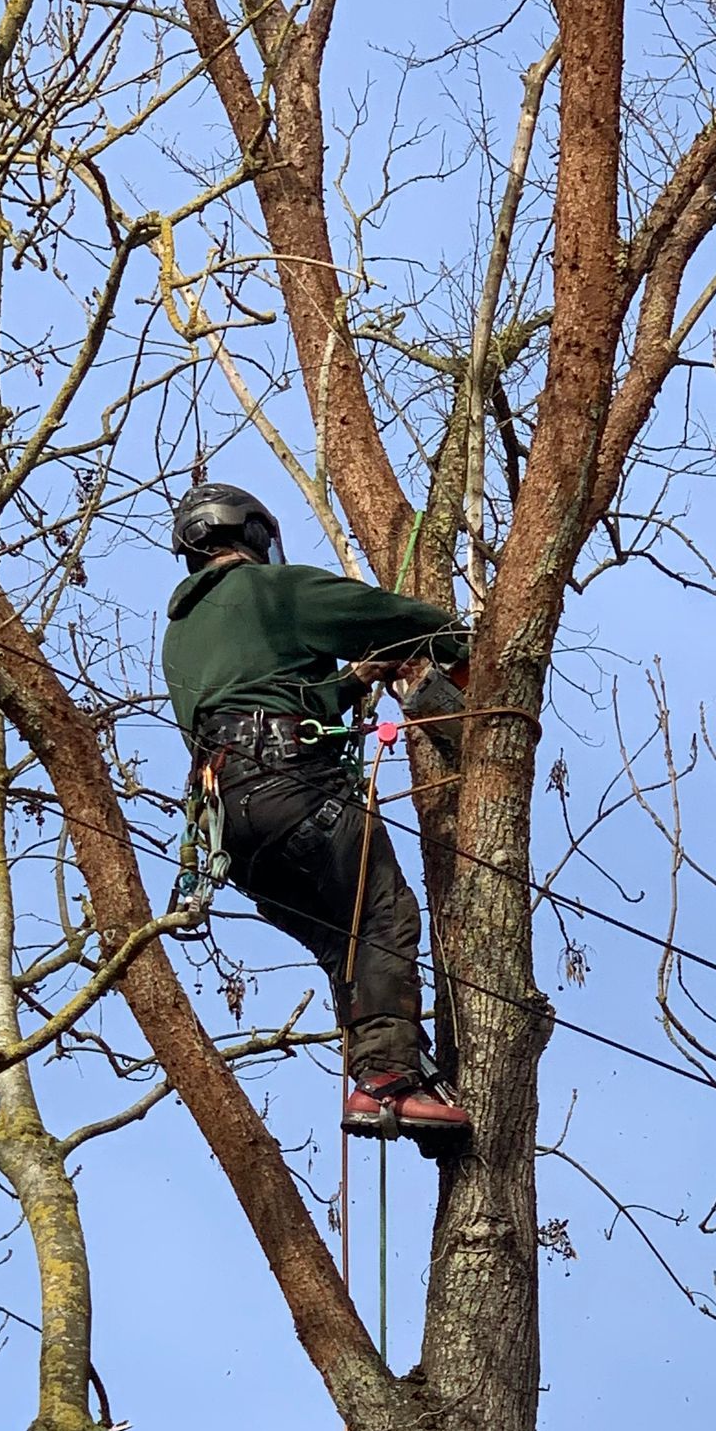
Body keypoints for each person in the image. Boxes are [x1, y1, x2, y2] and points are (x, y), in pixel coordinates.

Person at [161, 480, 474, 1145]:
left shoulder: (182, 635)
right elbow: (399, 617)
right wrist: (465, 649)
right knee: (383, 912)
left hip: (231, 832)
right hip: (294, 792)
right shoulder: (274, 590)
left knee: (345, 943)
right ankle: (388, 1076)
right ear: (250, 534)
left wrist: (350, 684)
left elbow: (258, 700)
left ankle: (390, 1073)